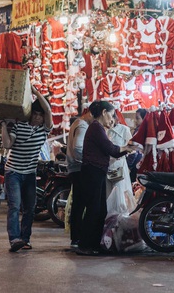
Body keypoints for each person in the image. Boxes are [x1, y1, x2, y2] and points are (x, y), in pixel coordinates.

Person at [76, 101, 134, 256]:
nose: (113, 118)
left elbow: (111, 149)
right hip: (93, 172)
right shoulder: (96, 127)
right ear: (104, 112)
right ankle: (85, 245)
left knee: (100, 210)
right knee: (94, 210)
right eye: (112, 113)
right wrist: (127, 149)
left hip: (97, 172)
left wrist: (125, 149)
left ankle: (94, 244)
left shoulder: (99, 128)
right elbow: (111, 149)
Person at [1, 86, 52, 253]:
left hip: (30, 173)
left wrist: (36, 93)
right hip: (13, 172)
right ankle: (14, 239)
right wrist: (3, 126)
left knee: (30, 208)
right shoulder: (19, 125)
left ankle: (25, 239)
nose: (38, 118)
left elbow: (49, 110)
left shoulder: (44, 130)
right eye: (35, 114)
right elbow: (8, 144)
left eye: (40, 115)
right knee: (15, 206)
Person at [66, 107, 94, 248]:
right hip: (79, 169)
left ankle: (76, 238)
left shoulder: (77, 123)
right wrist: (87, 161)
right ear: (89, 113)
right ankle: (77, 238)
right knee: (81, 204)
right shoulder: (82, 125)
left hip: (75, 169)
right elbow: (78, 147)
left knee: (78, 204)